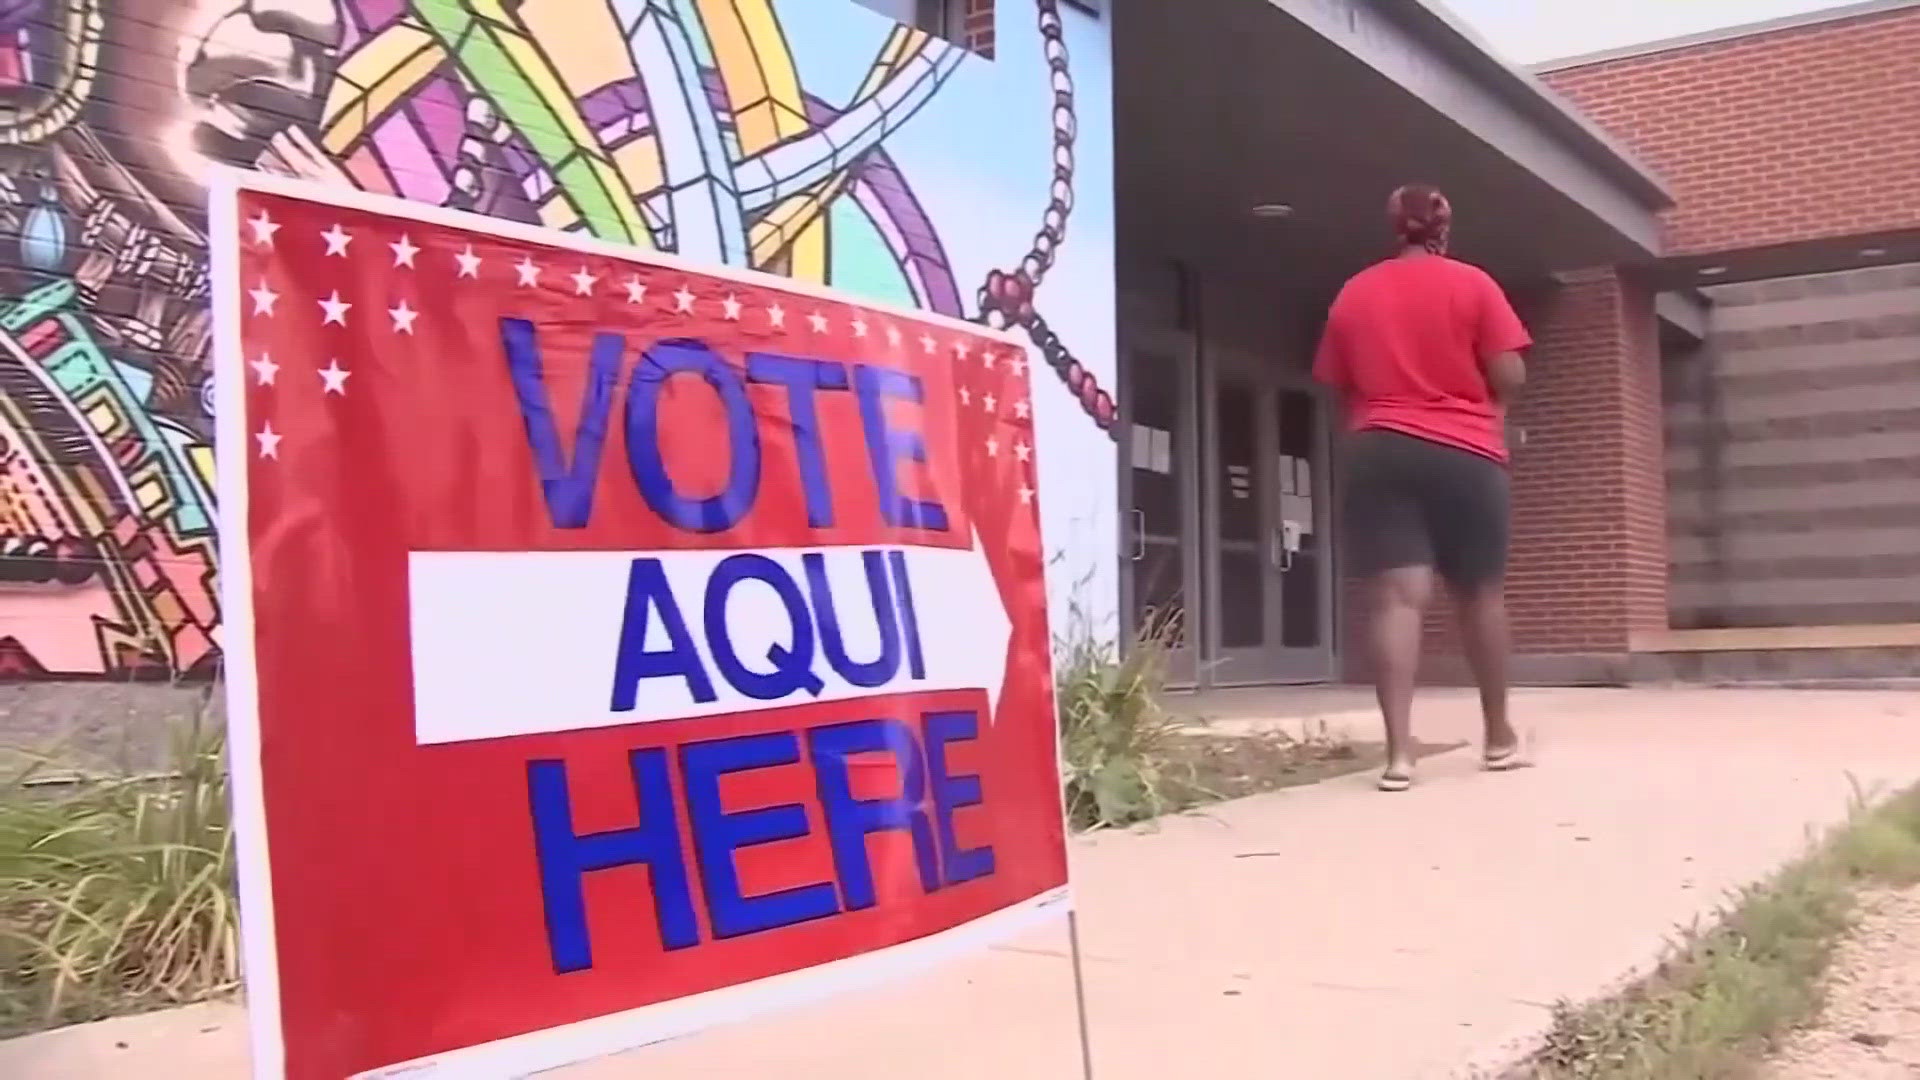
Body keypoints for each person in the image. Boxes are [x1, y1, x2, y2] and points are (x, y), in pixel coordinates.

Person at [1312, 184, 1531, 792]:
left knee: (1395, 601)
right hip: (1466, 450)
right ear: (1443, 227)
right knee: (1480, 595)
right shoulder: (1474, 284)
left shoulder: (1354, 293)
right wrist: (1490, 404)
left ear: (1393, 227)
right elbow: (1510, 370)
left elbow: (1339, 380)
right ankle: (1498, 737)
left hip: (1379, 448)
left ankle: (1399, 755)